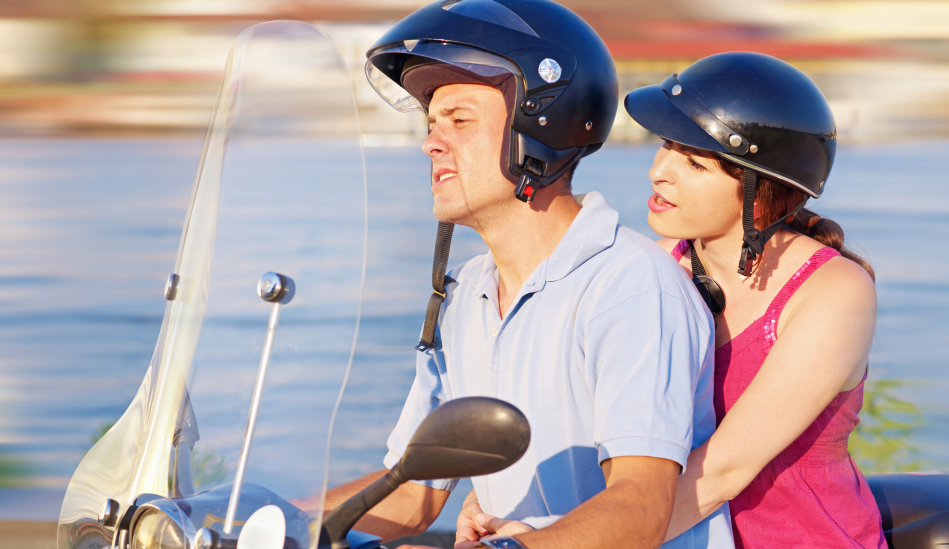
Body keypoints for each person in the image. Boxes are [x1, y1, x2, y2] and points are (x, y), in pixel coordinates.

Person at [316, 2, 734, 549]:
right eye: (431, 123)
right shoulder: (462, 294)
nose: (431, 142)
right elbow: (414, 492)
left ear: (539, 129)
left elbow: (640, 507)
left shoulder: (628, 286)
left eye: (459, 120)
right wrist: (258, 519)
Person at [624, 52, 886, 548]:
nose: (660, 172)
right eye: (666, 146)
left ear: (759, 193)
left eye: (694, 163)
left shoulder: (834, 291)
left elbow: (725, 470)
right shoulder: (655, 266)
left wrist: (580, 536)